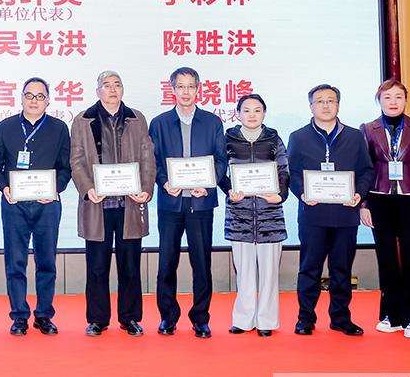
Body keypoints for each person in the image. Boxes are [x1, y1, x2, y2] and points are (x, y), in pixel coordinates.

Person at [70, 70, 155, 337]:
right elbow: (76, 161)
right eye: (106, 85)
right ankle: (97, 319)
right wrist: (88, 188)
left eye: (117, 84)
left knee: (130, 265)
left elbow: (148, 157)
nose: (112, 89)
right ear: (98, 91)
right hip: (98, 204)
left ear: (123, 89)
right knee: (97, 266)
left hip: (130, 204)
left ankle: (130, 318)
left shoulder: (137, 118)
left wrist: (146, 188)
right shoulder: (83, 120)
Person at [287, 83, 373, 336]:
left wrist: (359, 194)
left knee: (342, 269)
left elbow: (367, 171)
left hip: (346, 214)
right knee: (309, 269)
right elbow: (291, 172)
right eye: (320, 101)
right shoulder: (298, 137)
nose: (325, 105)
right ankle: (305, 319)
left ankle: (341, 318)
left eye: (330, 101)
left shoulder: (354, 136)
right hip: (313, 214)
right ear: (311, 106)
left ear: (338, 105)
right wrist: (302, 193)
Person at [148, 66, 226, 338]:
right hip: (170, 204)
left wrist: (209, 183)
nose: (185, 91)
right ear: (172, 89)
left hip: (201, 204)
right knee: (166, 262)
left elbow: (221, 159)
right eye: (180, 86)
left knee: (201, 263)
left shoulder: (212, 122)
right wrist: (163, 182)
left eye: (191, 86)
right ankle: (168, 317)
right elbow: (153, 161)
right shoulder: (159, 123)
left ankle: (200, 318)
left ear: (198, 89)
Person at [0, 77, 71, 336]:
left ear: (48, 100)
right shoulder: (6, 127)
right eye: (29, 95)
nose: (34, 101)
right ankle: (19, 316)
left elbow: (66, 166)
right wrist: (4, 187)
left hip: (48, 205)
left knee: (47, 262)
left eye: (40, 96)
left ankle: (44, 315)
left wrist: (56, 188)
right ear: (21, 98)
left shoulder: (59, 128)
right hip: (14, 205)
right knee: (15, 262)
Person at [359, 79, 410, 340]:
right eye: (387, 97)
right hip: (379, 199)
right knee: (387, 258)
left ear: (405, 100)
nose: (393, 102)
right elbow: (365, 170)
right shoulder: (368, 129)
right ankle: (391, 315)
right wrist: (364, 205)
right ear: (379, 101)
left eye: (398, 97)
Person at [219, 94, 289, 337]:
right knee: (244, 270)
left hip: (270, 213)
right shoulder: (228, 139)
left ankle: (267, 320)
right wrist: (229, 190)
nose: (252, 115)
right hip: (239, 213)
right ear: (238, 114)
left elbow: (283, 169)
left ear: (264, 114)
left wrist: (280, 195)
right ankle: (243, 319)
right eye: (246, 110)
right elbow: (220, 171)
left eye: (257, 110)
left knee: (269, 273)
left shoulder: (274, 138)